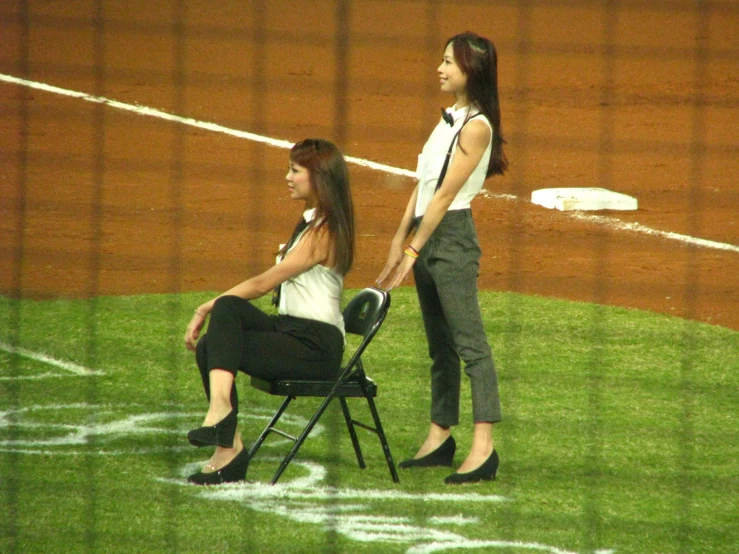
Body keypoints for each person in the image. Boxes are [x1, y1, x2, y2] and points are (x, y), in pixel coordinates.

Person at [376, 32, 508, 485]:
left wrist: (413, 249)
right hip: (427, 231)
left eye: (449, 62)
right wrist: (400, 237)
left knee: (472, 347)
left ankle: (484, 449)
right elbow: (424, 182)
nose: (440, 67)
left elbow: (447, 194)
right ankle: (439, 436)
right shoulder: (449, 119)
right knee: (440, 348)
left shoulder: (476, 125)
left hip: (450, 239)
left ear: (471, 69)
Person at [184, 138, 355, 485]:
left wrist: (204, 307)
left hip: (315, 346)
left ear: (318, 177)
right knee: (227, 312)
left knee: (215, 335)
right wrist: (214, 306)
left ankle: (223, 430)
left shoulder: (323, 232)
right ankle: (225, 434)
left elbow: (265, 284)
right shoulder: (312, 222)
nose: (287, 177)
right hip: (289, 330)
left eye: (295, 170)